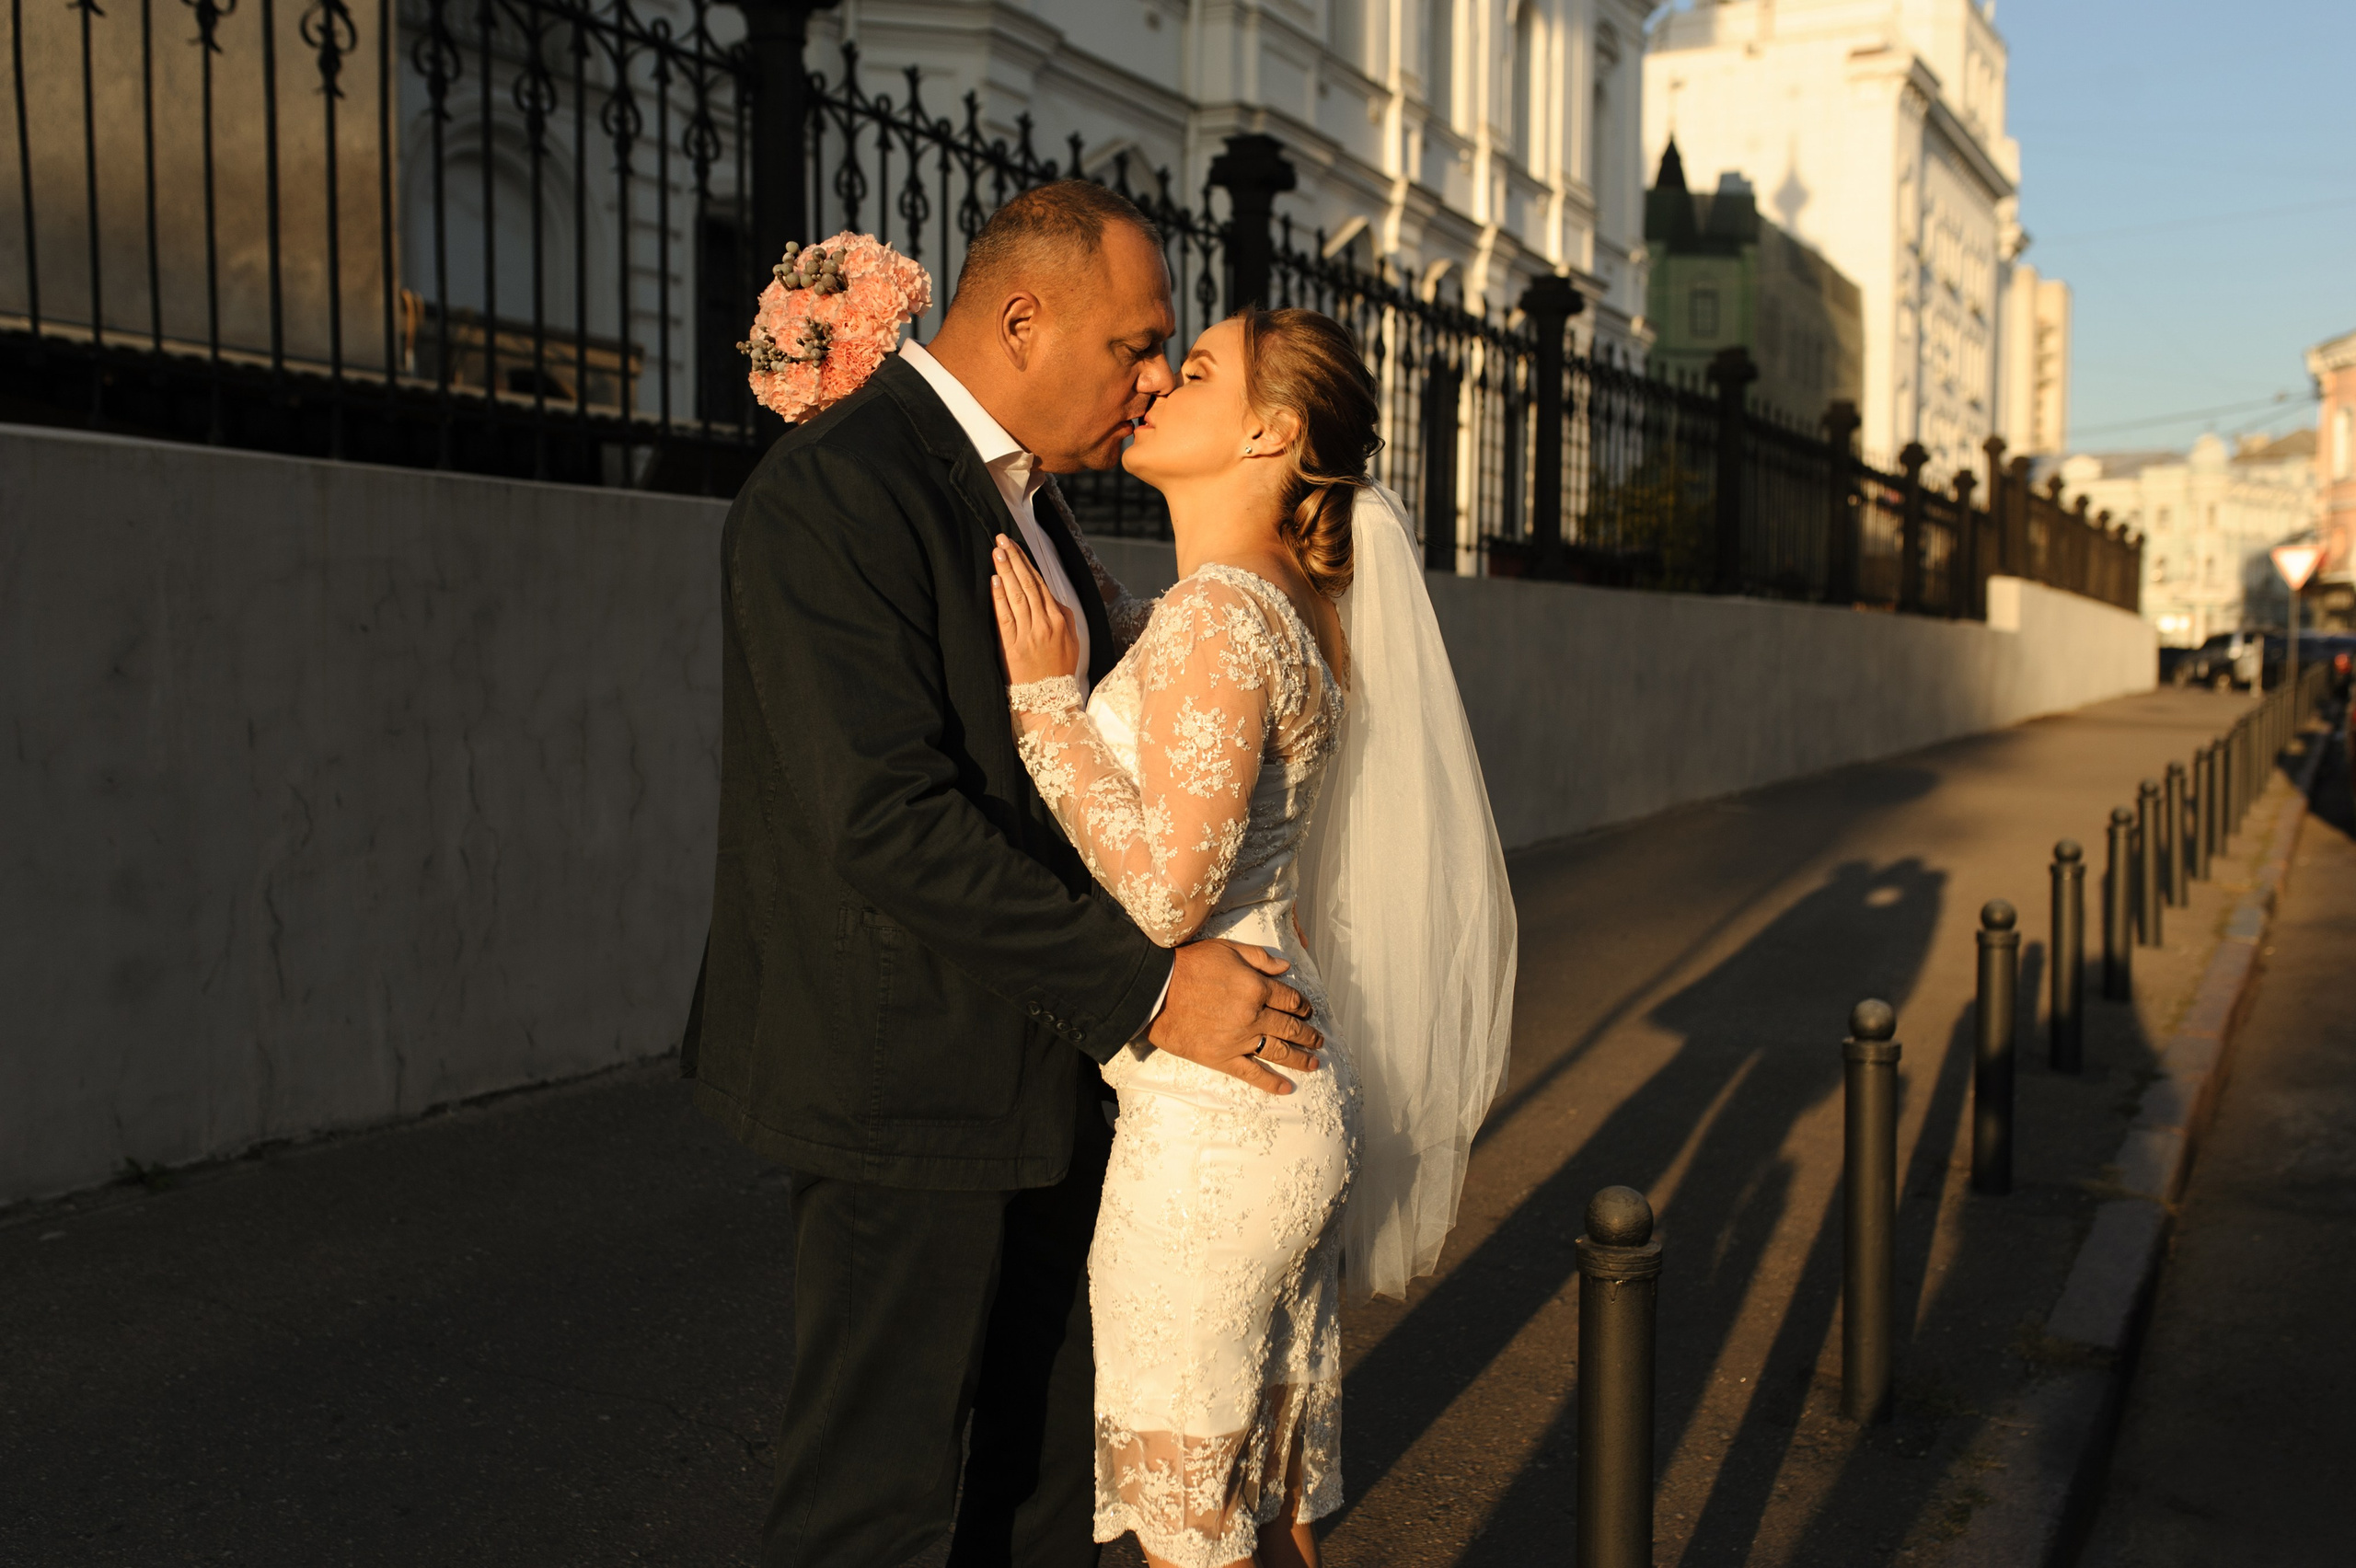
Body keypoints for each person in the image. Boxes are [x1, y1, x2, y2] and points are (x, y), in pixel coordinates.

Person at [683, 182, 1328, 1568]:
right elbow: (885, 818)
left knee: (1036, 1500)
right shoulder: (833, 493)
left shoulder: (1031, 503)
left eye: (1169, 355)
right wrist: (1151, 991)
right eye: (1135, 346)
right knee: (877, 1507)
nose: (1151, 381)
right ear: (1024, 319)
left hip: (1058, 1078)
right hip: (903, 1089)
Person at [989, 306, 1517, 1568]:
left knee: (1194, 1539)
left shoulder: (1223, 616)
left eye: (1203, 370)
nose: (1163, 382)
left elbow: (1170, 898)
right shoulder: (1268, 606)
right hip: (1276, 1098)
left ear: (1273, 432)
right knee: (1255, 1516)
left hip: (1215, 1134)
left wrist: (1045, 705)